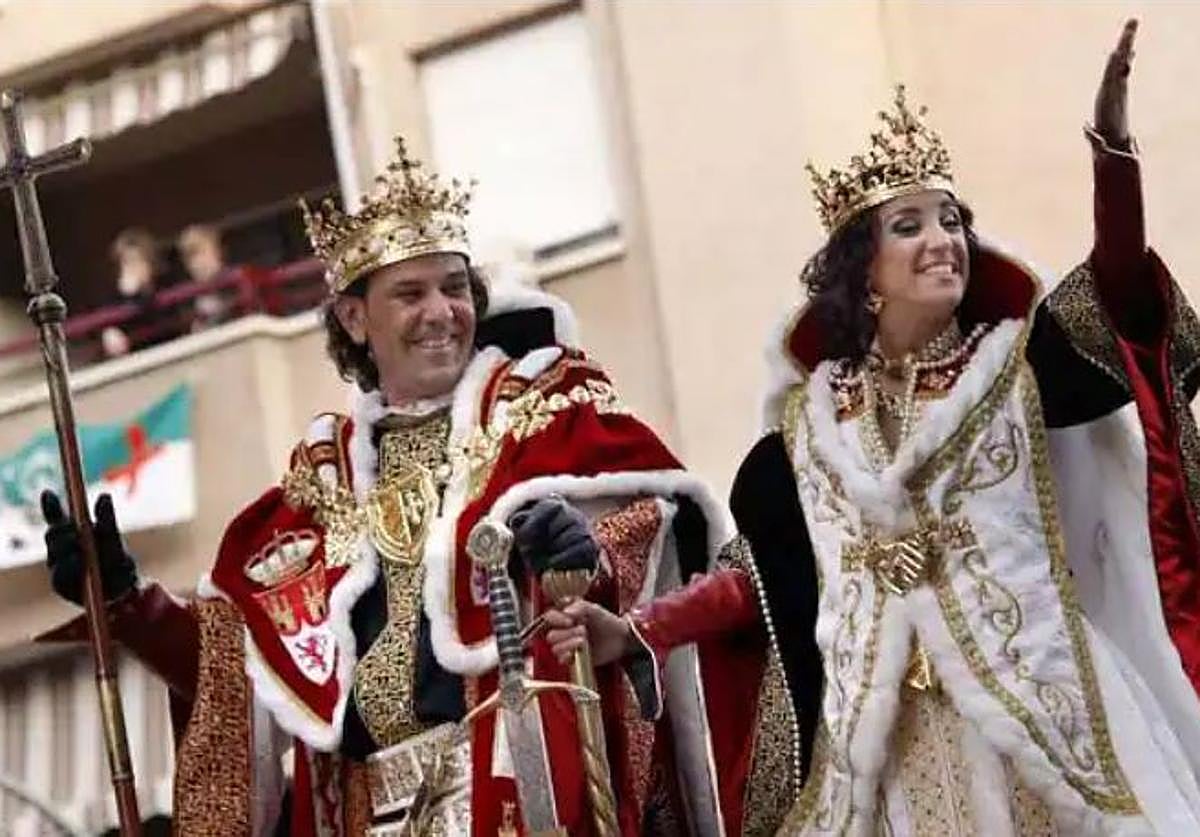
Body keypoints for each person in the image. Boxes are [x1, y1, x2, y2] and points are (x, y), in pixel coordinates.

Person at [551, 20, 1200, 835]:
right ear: (863, 275)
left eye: (950, 219)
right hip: (886, 750)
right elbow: (766, 577)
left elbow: (1123, 298)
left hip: (1040, 717)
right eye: (911, 225)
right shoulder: (809, 430)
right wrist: (640, 628)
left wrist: (1111, 153)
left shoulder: (1021, 366)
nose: (943, 241)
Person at [41, 139, 730, 834]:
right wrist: (130, 604)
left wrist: (588, 555)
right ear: (354, 318)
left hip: (519, 797)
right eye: (410, 293)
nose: (441, 312)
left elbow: (656, 535)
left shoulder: (550, 411)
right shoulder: (318, 481)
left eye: (455, 288)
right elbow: (240, 672)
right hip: (364, 814)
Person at [100, 227, 163, 358]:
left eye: (136, 260)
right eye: (126, 263)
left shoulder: (165, 283)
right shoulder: (115, 297)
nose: (133, 268)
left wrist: (134, 294)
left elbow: (154, 313)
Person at [177, 223, 234, 331]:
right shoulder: (185, 299)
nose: (198, 262)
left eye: (203, 252)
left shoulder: (236, 282)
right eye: (190, 256)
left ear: (218, 252)